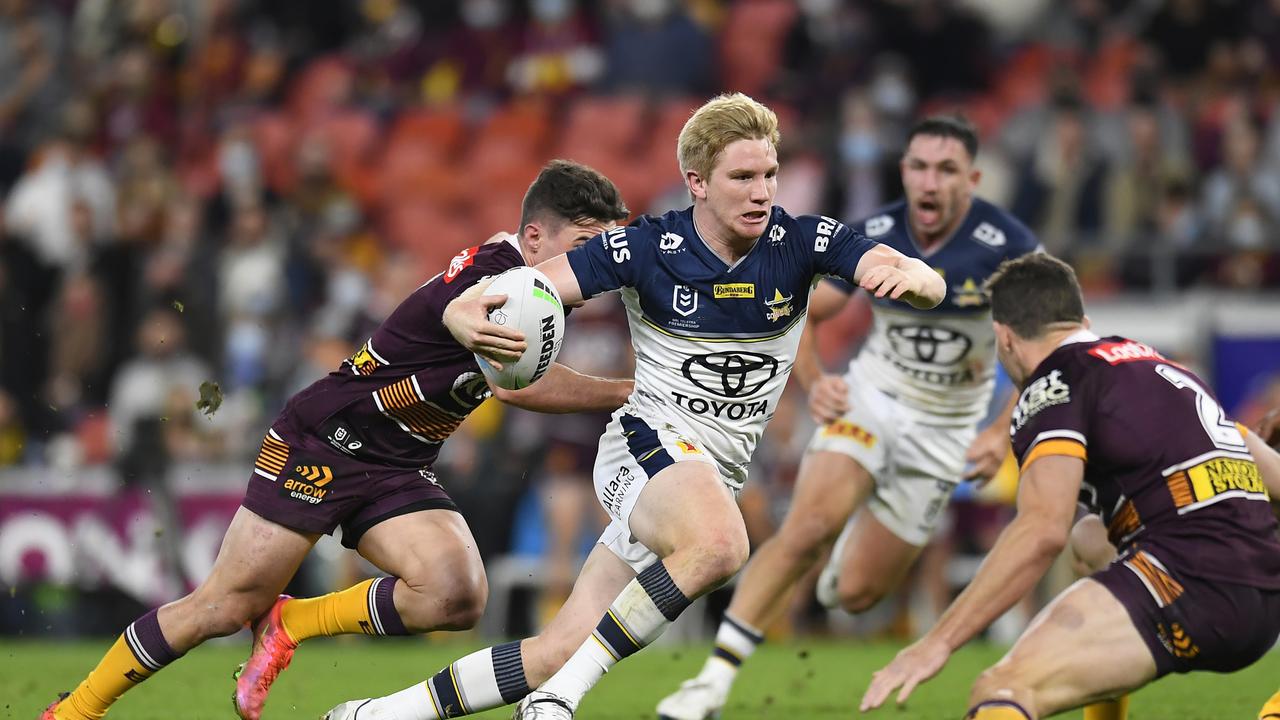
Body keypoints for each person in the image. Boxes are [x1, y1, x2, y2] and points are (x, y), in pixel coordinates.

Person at [323, 92, 945, 720]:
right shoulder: (646, 248)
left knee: (557, 647)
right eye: (742, 177)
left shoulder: (804, 242)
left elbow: (897, 265)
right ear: (697, 183)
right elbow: (535, 283)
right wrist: (466, 306)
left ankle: (369, 716)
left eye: (769, 174)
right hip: (648, 446)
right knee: (722, 545)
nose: (761, 192)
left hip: (710, 471)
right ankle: (561, 701)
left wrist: (921, 281)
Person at [40, 159, 635, 720]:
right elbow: (511, 381)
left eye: (604, 248)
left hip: (397, 461)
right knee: (222, 607)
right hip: (325, 441)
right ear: (535, 237)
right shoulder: (506, 281)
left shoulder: (542, 285)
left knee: (455, 596)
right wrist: (636, 391)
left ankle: (293, 622)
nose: (595, 265)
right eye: (584, 247)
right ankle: (73, 711)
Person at [655, 113, 1040, 720]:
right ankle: (711, 681)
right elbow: (799, 309)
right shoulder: (879, 233)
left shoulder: (1010, 248)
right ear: (904, 172)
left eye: (945, 169)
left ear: (973, 177)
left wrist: (999, 432)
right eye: (917, 166)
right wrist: (815, 383)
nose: (929, 182)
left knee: (856, 595)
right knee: (806, 525)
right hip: (873, 400)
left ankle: (839, 567)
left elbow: (1047, 353)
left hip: (945, 431)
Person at [860, 253, 1280, 720]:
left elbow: (1042, 530)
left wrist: (937, 642)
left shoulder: (1054, 382)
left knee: (1003, 688)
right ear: (1083, 321)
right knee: (1090, 541)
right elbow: (1270, 480)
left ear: (1004, 337)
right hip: (1263, 600)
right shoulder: (1168, 369)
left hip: (1187, 584)